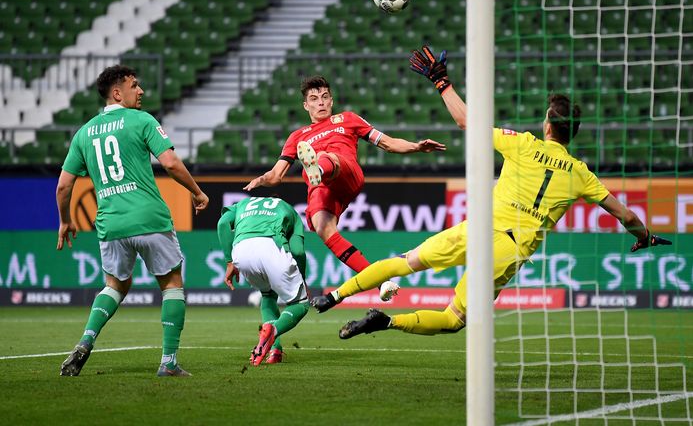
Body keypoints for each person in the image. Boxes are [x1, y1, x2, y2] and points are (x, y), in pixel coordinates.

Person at [311, 46, 672, 339]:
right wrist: (646, 236)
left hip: (478, 228)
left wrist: (442, 83)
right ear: (571, 133)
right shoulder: (581, 174)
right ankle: (388, 322)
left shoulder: (522, 144)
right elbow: (627, 216)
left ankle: (336, 295)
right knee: (453, 319)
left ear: (547, 125)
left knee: (405, 262)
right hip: (508, 248)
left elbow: (467, 122)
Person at [56, 65, 209, 376]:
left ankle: (86, 340)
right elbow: (171, 163)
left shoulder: (83, 133)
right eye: (134, 86)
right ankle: (168, 363)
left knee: (115, 285)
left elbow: (63, 186)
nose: (141, 91)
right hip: (149, 218)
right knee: (171, 284)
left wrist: (65, 220)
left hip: (110, 224)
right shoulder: (141, 120)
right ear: (117, 93)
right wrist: (196, 191)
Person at [243, 75, 446, 301]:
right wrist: (263, 179)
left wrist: (416, 147)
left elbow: (387, 143)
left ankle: (318, 168)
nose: (320, 102)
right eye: (314, 98)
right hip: (321, 187)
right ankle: (381, 283)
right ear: (306, 105)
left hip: (345, 171)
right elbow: (276, 175)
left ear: (331, 101)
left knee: (324, 157)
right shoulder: (296, 137)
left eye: (325, 97)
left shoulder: (348, 119)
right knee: (322, 228)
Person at [217, 196, 309, 365]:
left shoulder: (243, 204)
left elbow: (223, 224)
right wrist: (302, 278)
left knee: (268, 296)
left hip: (241, 251)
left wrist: (229, 261)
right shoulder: (289, 209)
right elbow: (298, 251)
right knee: (300, 304)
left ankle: (275, 351)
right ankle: (272, 332)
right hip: (272, 246)